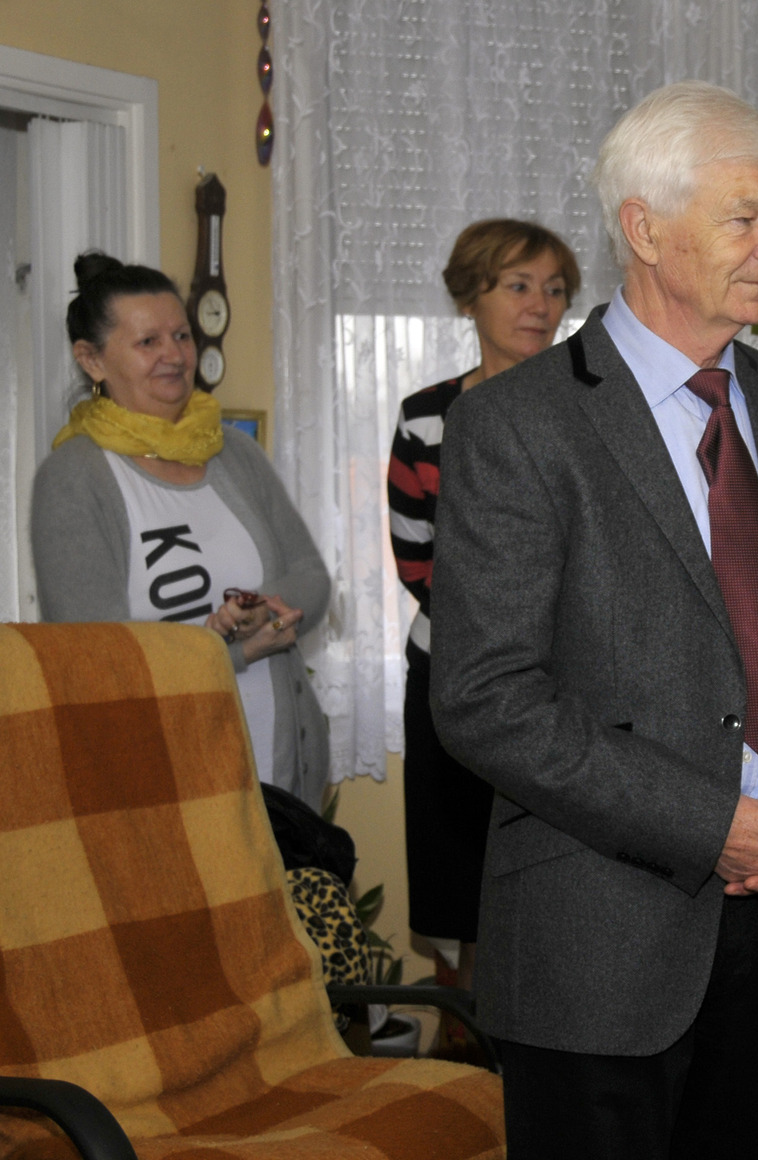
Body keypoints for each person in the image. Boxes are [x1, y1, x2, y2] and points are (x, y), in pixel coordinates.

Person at [428, 81, 758, 1160]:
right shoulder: (515, 422)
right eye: (745, 219)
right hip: (596, 945)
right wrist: (710, 823)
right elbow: (487, 698)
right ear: (644, 228)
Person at [32, 252, 330, 808]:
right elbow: (95, 659)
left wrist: (263, 610)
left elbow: (311, 576)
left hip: (280, 776)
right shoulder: (72, 479)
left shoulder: (233, 451)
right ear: (92, 360)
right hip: (164, 783)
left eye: (182, 336)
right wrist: (231, 651)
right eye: (148, 342)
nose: (174, 355)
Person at [387, 219, 580, 992]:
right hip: (454, 679)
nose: (540, 305)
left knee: (560, 887)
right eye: (518, 285)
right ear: (472, 297)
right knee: (459, 883)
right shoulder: (425, 415)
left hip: (570, 686)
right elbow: (415, 557)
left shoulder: (592, 413)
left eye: (555, 289)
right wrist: (500, 637)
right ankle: (468, 1045)